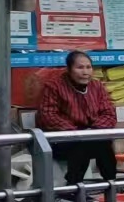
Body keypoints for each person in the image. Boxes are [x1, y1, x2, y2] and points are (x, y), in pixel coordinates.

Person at [34, 50, 119, 183]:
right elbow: (48, 116)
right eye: (80, 67)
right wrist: (76, 132)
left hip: (91, 134)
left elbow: (109, 113)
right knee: (82, 144)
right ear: (69, 69)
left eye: (88, 67)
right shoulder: (54, 86)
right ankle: (73, 186)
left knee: (103, 143)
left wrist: (95, 130)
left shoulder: (97, 86)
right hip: (61, 139)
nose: (85, 72)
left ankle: (111, 182)